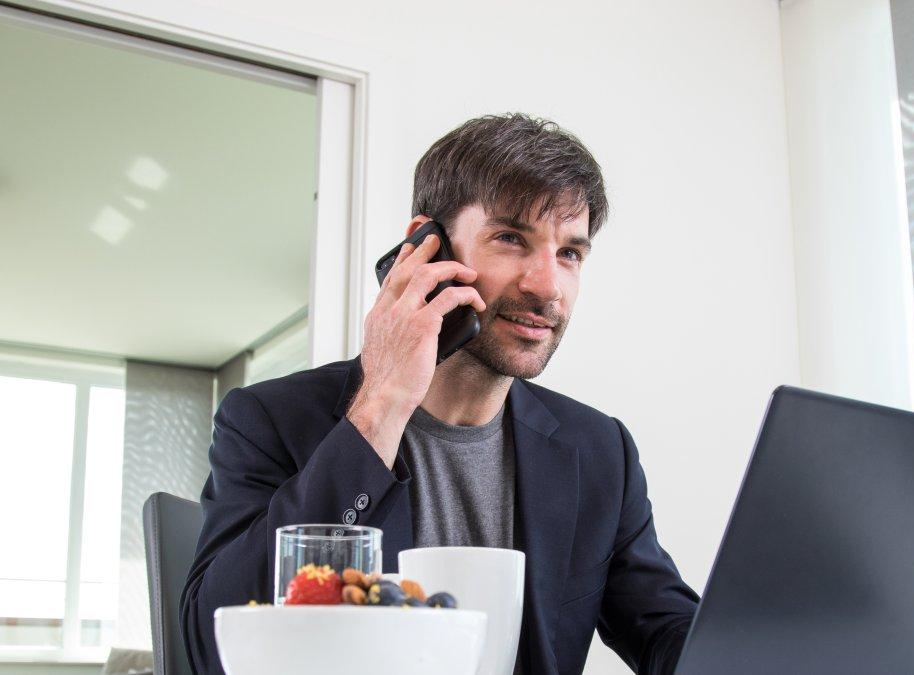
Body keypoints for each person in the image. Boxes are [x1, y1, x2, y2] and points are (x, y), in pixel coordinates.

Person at [180, 113, 699, 675]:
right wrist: (381, 406)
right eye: (510, 238)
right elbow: (215, 650)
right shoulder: (270, 420)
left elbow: (665, 633)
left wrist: (781, 629)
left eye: (570, 253)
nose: (547, 286)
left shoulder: (599, 450)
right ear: (426, 248)